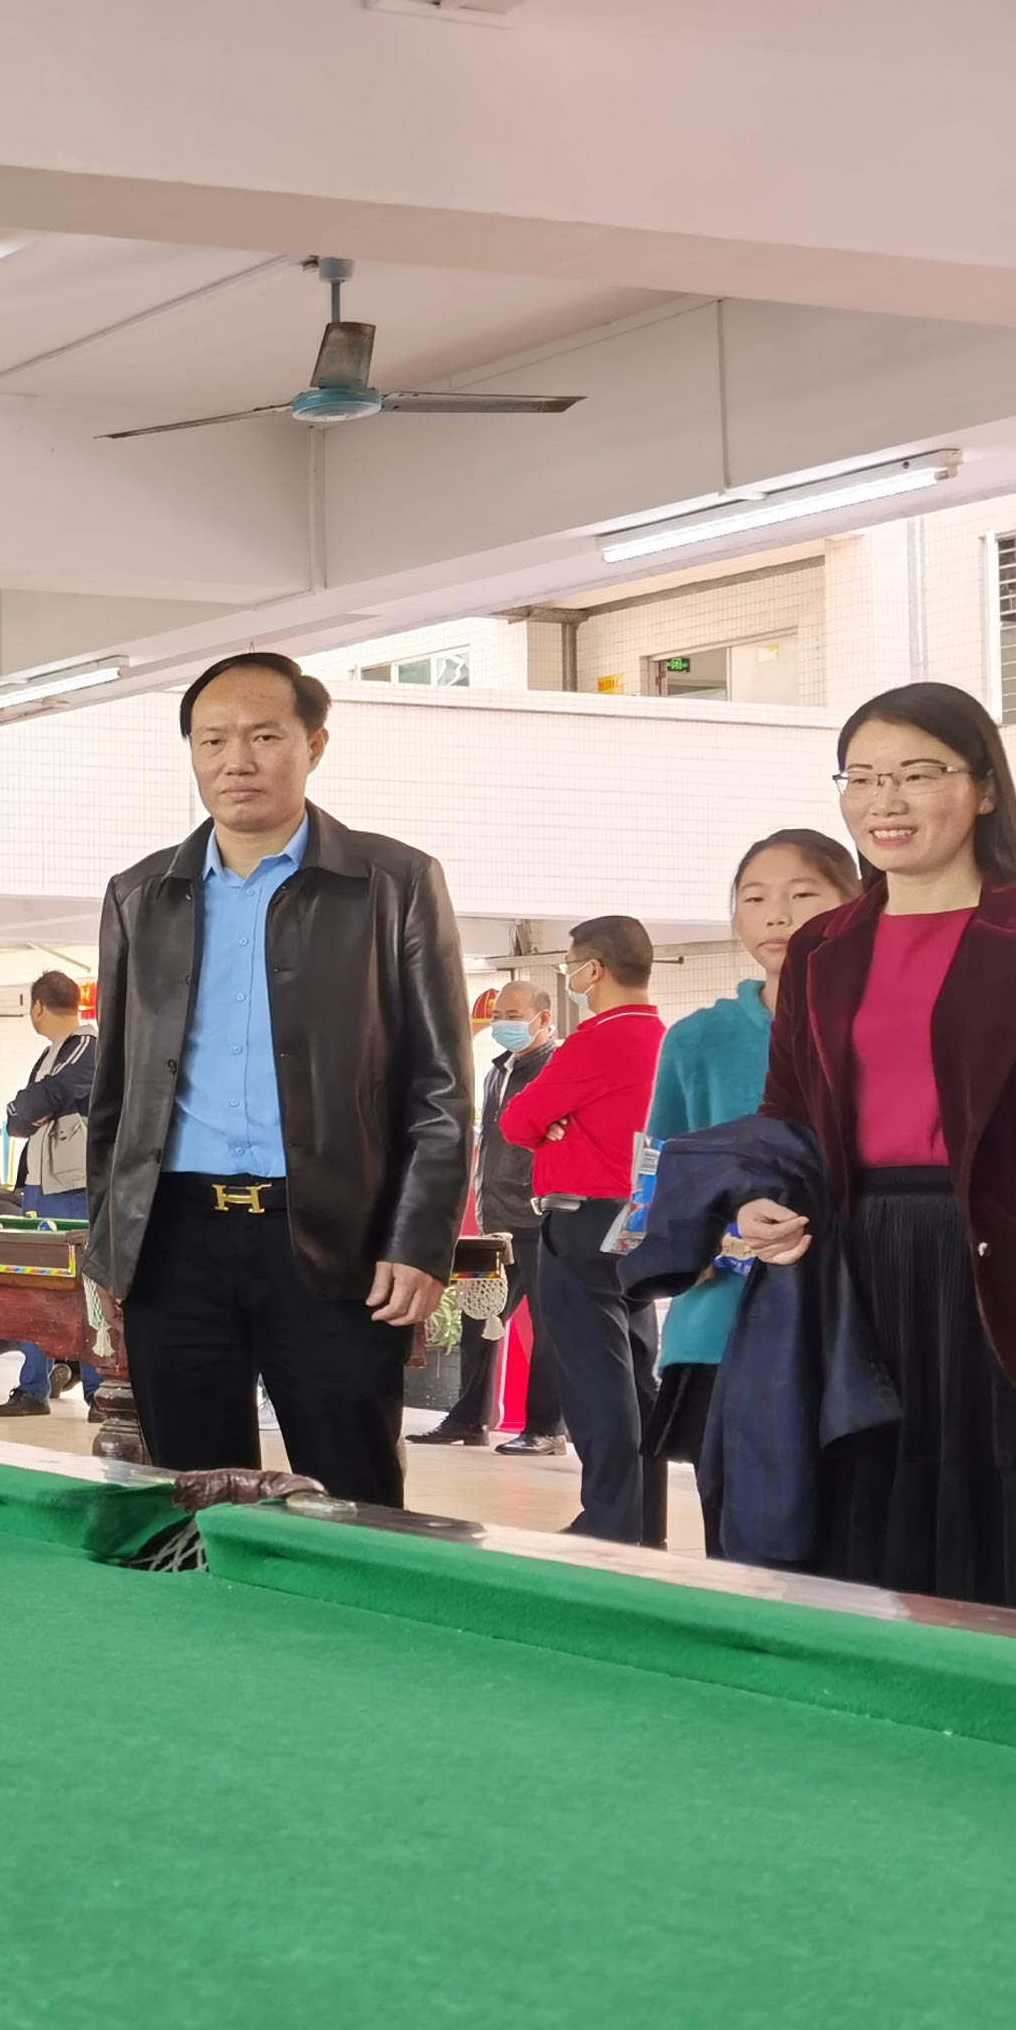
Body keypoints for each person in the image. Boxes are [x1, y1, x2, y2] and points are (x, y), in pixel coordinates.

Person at [732, 686, 1016, 1617]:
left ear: (984, 789)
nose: (884, 801)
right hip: (857, 1265)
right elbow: (787, 1116)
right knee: (865, 1506)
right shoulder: (823, 946)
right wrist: (759, 1201)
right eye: (862, 778)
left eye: (918, 775)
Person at [86, 653, 466, 1506]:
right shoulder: (141, 894)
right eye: (212, 740)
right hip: (175, 1240)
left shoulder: (394, 883)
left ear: (313, 745)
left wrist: (419, 1240)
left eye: (263, 737)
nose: (237, 761)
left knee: (353, 1493)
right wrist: (113, 1247)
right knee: (190, 1496)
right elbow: (114, 1093)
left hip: (336, 1237)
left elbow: (441, 1088)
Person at [643, 830, 858, 1536]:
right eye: (754, 898)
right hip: (723, 1330)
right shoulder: (695, 1040)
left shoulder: (886, 1024)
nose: (777, 916)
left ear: (856, 903)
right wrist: (712, 1241)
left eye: (803, 895)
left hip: (863, 1324)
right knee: (744, 1547)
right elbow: (656, 1181)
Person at [507, 915, 666, 1541]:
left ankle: (609, 1524)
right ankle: (645, 1521)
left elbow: (519, 1121)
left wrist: (555, 1128)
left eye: (571, 964)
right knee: (637, 1374)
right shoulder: (664, 1038)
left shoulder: (597, 1040)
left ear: (592, 969)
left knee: (596, 1381)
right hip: (642, 1219)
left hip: (583, 1219)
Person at [421, 981, 556, 1451]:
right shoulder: (498, 1070)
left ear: (543, 1018)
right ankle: (468, 1419)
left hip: (538, 1220)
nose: (501, 1025)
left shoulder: (555, 1070)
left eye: (512, 1015)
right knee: (477, 1317)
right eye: (498, 1016)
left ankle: (545, 1428)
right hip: (492, 1222)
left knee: (548, 1327)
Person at [0, 969, 97, 1417]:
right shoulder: (50, 1054)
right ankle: (33, 1388)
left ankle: (98, 1391)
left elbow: (46, 1097)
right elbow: (19, 1119)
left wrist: (33, 1108)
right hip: (39, 1186)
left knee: (86, 1290)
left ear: (37, 1007)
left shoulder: (87, 1044)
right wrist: (30, 1108)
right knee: (35, 1287)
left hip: (73, 1186)